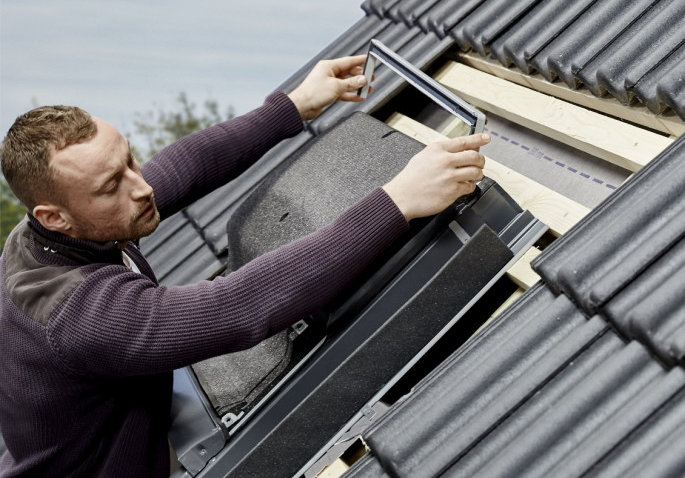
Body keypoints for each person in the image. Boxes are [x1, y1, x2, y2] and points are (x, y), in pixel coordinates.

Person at [0, 55, 489, 477]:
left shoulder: (61, 230)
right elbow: (238, 307)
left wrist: (294, 106)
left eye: (129, 160)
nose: (140, 186)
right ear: (53, 216)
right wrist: (398, 200)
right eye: (112, 184)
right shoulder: (75, 314)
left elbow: (183, 166)